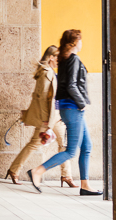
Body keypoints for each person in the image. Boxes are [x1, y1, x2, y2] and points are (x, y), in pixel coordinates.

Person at [28, 29, 103, 196]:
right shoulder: (74, 59)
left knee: (87, 146)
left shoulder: (64, 60)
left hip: (68, 108)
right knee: (71, 151)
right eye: (80, 40)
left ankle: (85, 185)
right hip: (73, 108)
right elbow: (71, 85)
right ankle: (37, 171)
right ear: (74, 43)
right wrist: (81, 103)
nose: (82, 43)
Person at [5, 45, 75, 187]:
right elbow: (42, 99)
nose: (59, 61)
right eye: (58, 58)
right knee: (33, 145)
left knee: (64, 145)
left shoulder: (50, 71)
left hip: (55, 116)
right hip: (47, 118)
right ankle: (14, 170)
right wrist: (46, 121)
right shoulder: (45, 73)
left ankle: (66, 176)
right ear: (51, 58)